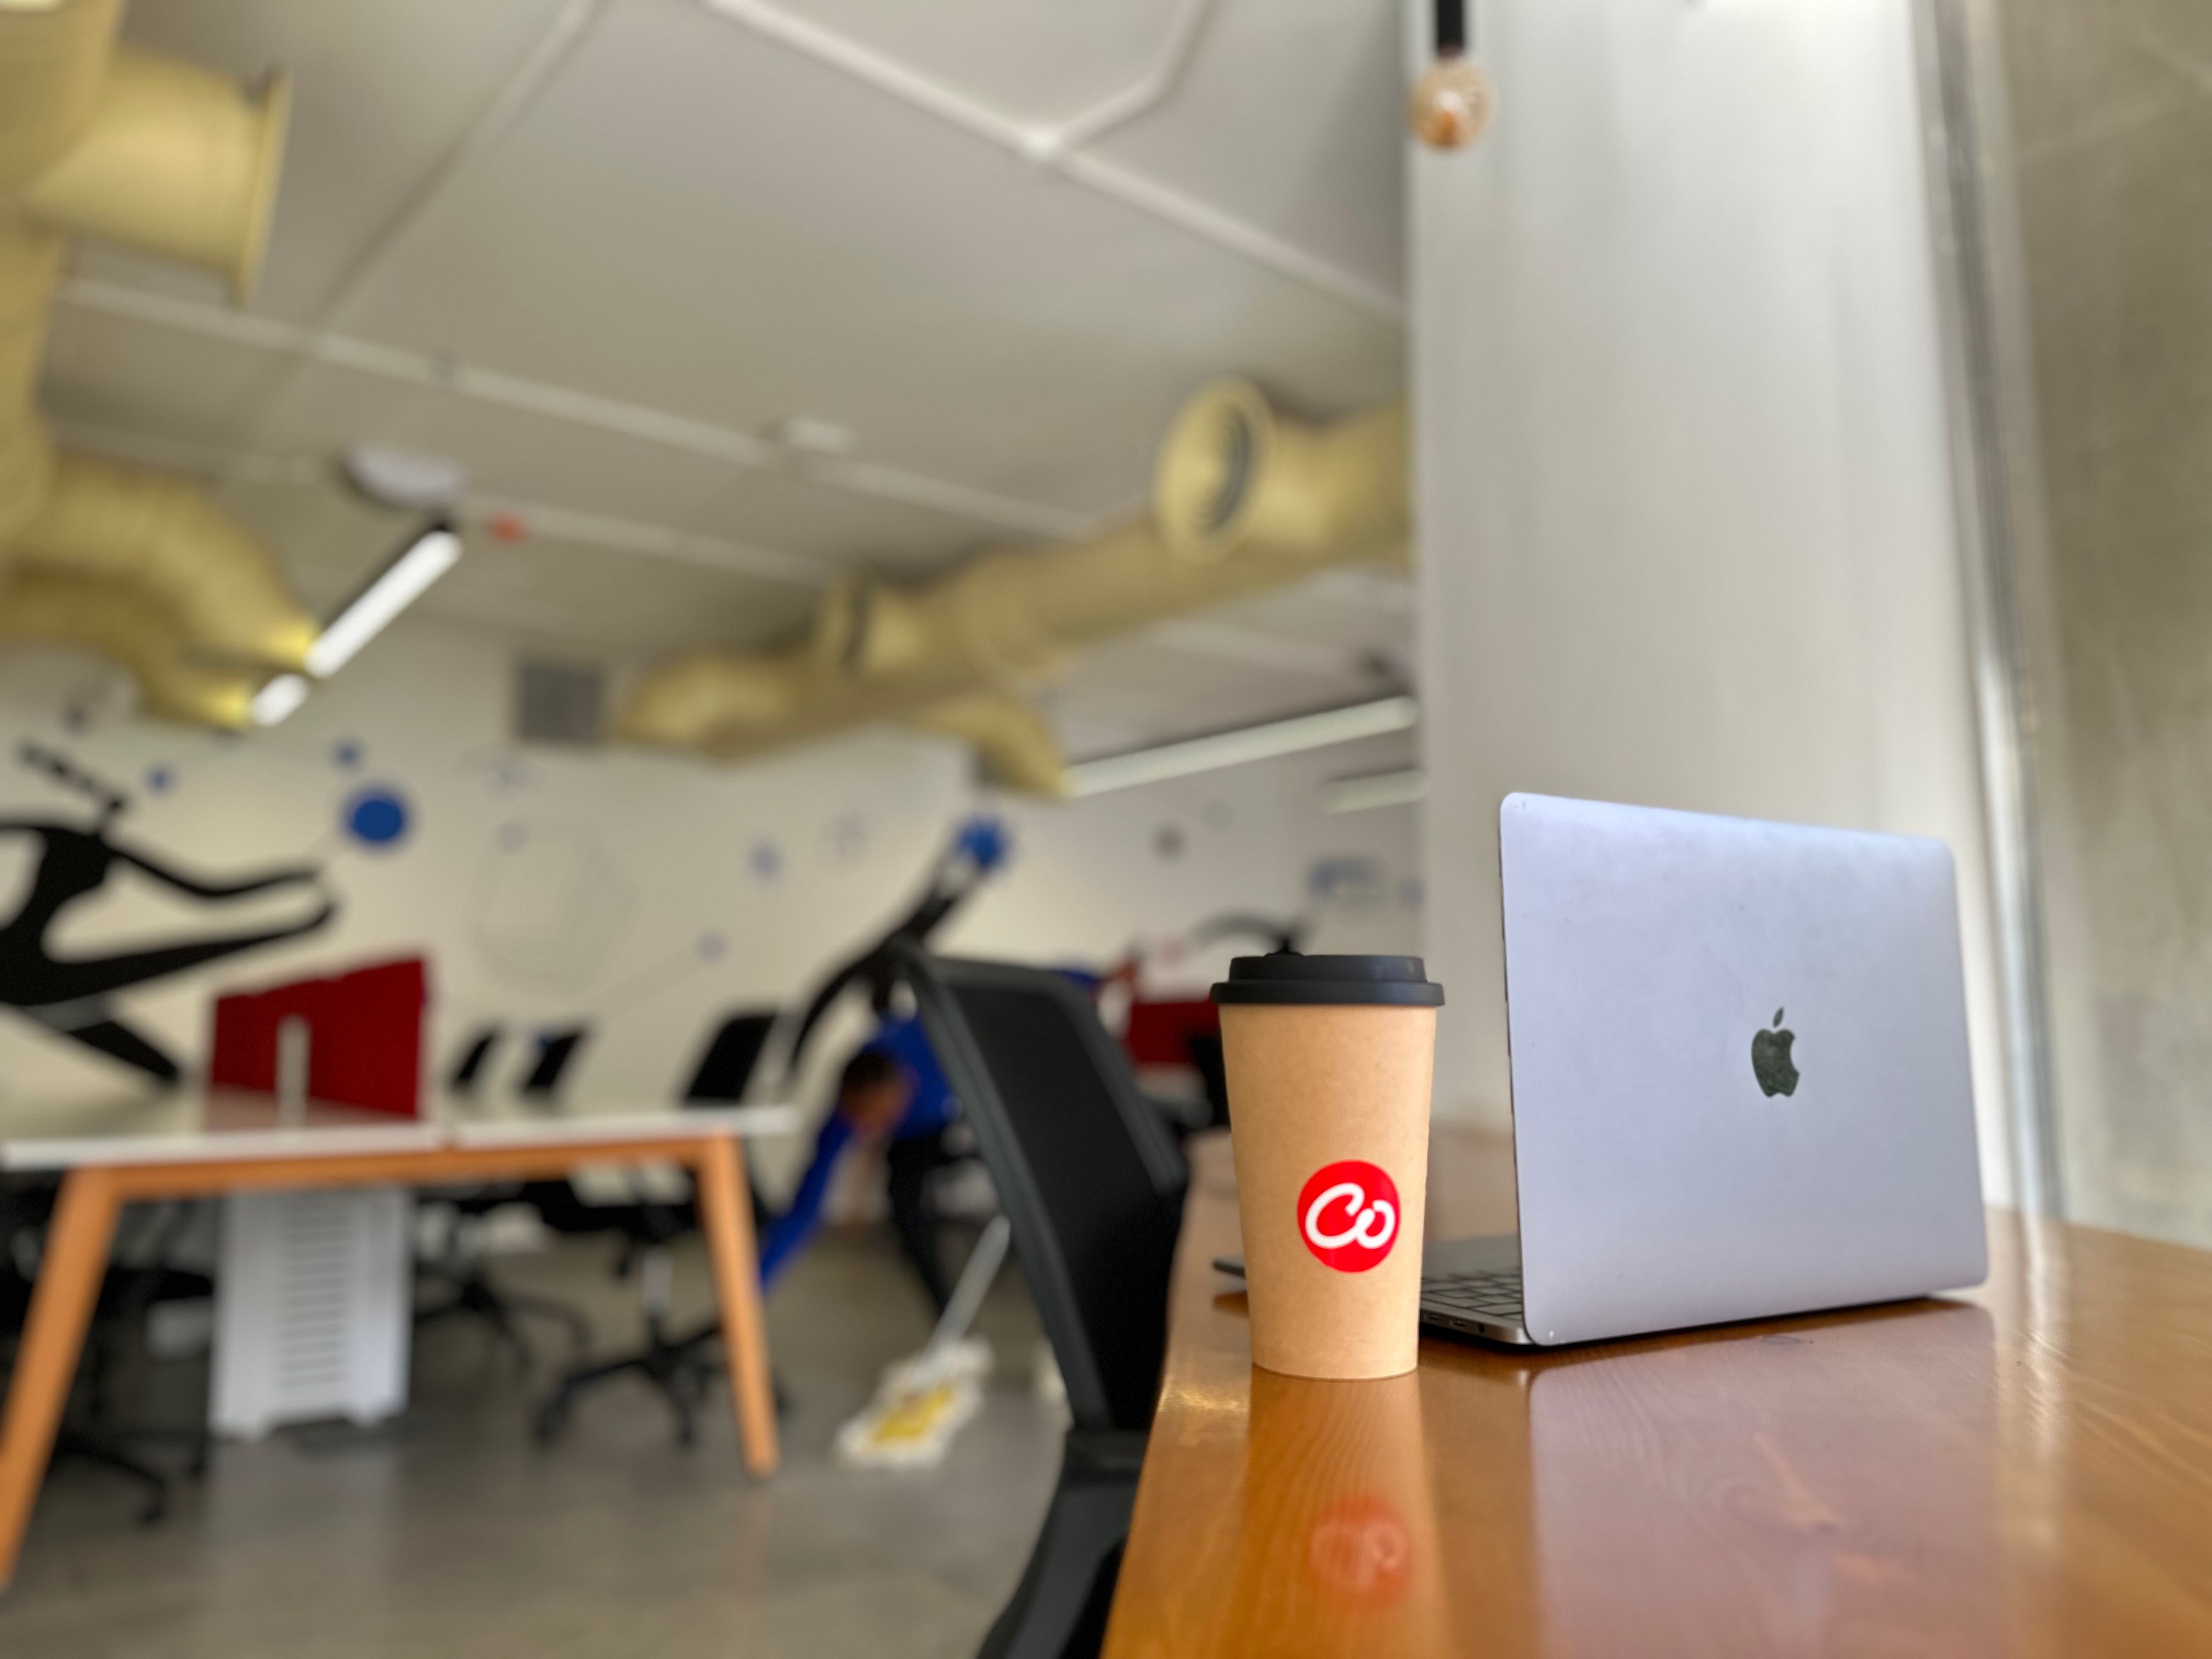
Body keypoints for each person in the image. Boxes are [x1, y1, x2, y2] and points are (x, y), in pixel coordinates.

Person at [758, 1015, 960, 1313]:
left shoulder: (940, 1058)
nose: (870, 1129)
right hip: (914, 1132)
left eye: (879, 1117)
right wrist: (749, 1293)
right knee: (905, 1205)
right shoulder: (848, 1112)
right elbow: (806, 1206)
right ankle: (953, 1320)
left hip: (952, 1114)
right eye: (862, 1121)